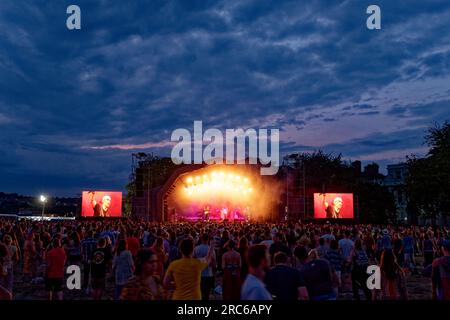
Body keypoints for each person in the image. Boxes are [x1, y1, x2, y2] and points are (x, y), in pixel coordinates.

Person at [193, 233, 216, 301]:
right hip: (208, 274)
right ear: (208, 239)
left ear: (201, 239)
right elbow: (214, 263)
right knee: (207, 294)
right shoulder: (211, 249)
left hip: (199, 273)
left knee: (199, 292)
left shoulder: (196, 249)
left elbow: (193, 261)